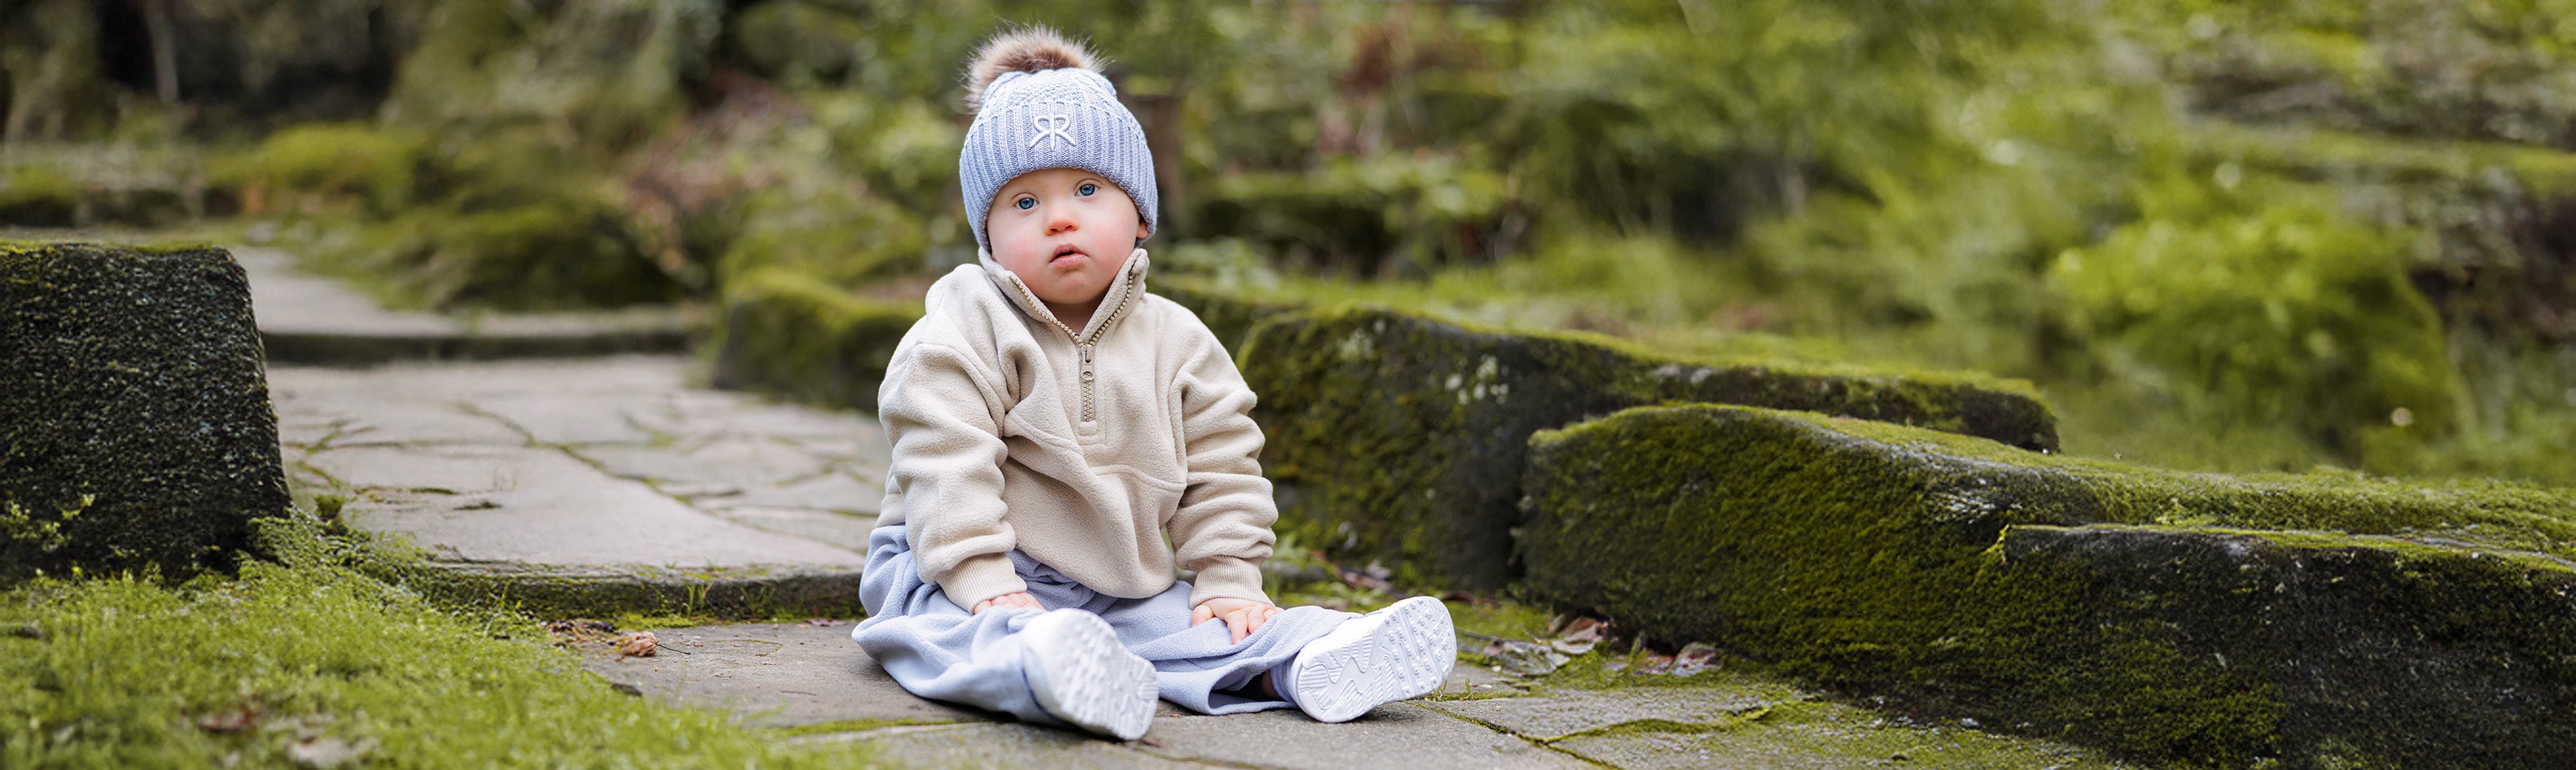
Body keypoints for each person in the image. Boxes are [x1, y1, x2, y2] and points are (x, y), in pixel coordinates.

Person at [849, 26, 1457, 741]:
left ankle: (1302, 659)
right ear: (986, 234)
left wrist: (1229, 577)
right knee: (948, 638)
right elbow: (942, 460)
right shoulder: (963, 327)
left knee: (1198, 624)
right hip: (956, 567)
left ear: (1140, 214)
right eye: (1023, 203)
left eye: (1086, 188)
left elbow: (1223, 464)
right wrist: (986, 582)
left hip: (1114, 583)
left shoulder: (1180, 341)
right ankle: (1045, 674)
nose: (1060, 217)